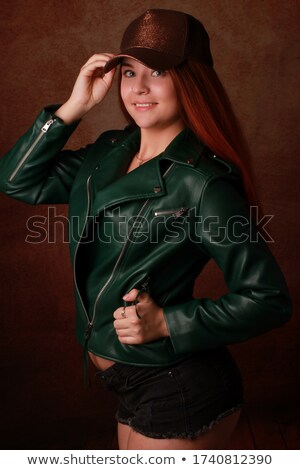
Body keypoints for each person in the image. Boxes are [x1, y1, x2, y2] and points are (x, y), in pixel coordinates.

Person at [0, 9, 292, 450]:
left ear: (190, 81)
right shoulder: (106, 153)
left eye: (158, 71)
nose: (138, 88)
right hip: (128, 386)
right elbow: (16, 180)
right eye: (129, 71)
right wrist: (75, 105)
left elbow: (268, 299)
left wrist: (168, 321)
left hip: (179, 387)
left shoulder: (203, 183)